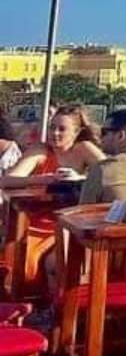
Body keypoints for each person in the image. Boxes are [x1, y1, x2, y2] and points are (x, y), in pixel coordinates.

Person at [1, 104, 105, 291]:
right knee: (17, 256)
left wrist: (80, 178)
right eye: (52, 127)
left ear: (76, 132)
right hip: (32, 222)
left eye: (61, 129)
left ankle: (56, 308)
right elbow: (6, 181)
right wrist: (40, 179)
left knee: (56, 260)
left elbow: (110, 172)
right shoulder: (40, 150)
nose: (54, 133)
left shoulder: (83, 149)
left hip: (68, 223)